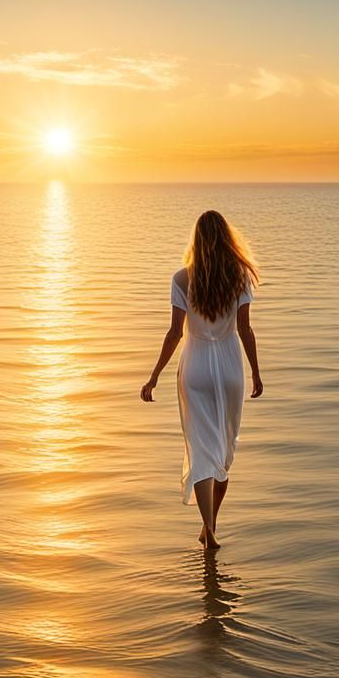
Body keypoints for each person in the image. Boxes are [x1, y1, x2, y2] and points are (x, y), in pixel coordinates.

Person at [140, 210, 263, 549]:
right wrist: (255, 371)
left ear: (195, 239)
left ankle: (208, 528)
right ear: (227, 239)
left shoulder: (181, 279)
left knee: (201, 451)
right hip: (228, 368)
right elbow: (244, 330)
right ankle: (210, 527)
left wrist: (153, 377)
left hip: (194, 368)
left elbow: (174, 334)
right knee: (223, 454)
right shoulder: (240, 277)